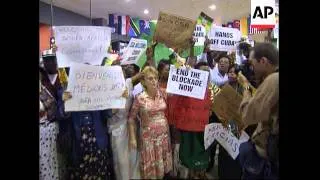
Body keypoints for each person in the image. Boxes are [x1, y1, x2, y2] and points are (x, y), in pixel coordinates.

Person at [238, 43, 279, 179]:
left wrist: (245, 88)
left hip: (267, 161)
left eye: (252, 63)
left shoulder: (273, 80)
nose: (251, 68)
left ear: (263, 61)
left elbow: (248, 115)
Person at [128, 66, 173, 179]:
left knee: (163, 170)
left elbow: (179, 90)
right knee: (151, 172)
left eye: (155, 78)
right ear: (143, 82)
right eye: (150, 78)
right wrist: (133, 138)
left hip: (163, 137)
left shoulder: (163, 93)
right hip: (148, 140)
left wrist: (185, 70)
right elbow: (131, 119)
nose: (154, 81)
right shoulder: (140, 98)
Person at [174, 62, 212, 179]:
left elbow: (212, 108)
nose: (204, 74)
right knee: (188, 154)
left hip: (202, 129)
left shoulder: (211, 90)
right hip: (187, 129)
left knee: (200, 154)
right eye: (202, 72)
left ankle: (199, 173)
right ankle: (190, 174)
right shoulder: (186, 88)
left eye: (207, 72)